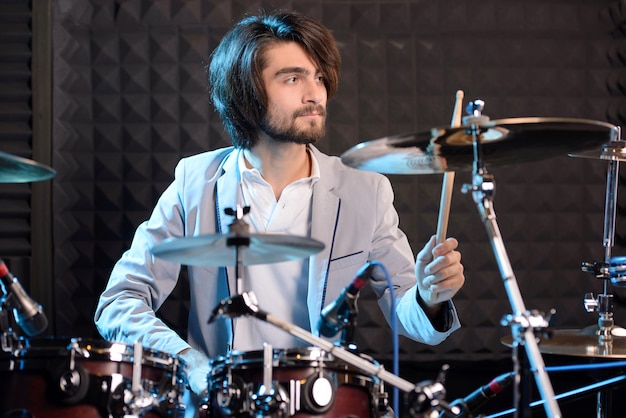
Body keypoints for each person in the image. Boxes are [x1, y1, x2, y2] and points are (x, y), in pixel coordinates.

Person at [95, 9, 465, 417]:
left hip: (322, 404)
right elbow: (118, 302)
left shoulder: (365, 190)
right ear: (246, 92)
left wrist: (429, 297)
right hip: (222, 405)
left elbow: (408, 315)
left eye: (318, 77)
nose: (315, 94)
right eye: (293, 78)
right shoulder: (195, 181)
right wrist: (189, 364)